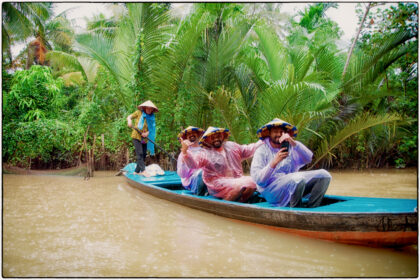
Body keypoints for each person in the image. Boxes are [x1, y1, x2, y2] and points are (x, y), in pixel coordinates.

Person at [250, 118, 331, 208]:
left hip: (293, 184)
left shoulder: (290, 147)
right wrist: (274, 162)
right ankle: (296, 209)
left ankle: (313, 208)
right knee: (297, 178)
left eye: (281, 132)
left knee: (324, 175)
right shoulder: (261, 150)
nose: (279, 134)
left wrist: (292, 142)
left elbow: (308, 158)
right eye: (275, 132)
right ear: (269, 133)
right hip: (271, 190)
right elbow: (259, 180)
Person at [182, 126, 262, 202]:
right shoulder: (205, 152)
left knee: (254, 182)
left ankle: (241, 202)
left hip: (236, 180)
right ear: (208, 140)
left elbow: (249, 149)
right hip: (216, 185)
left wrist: (263, 140)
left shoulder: (232, 146)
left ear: (222, 136)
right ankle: (225, 204)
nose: (216, 139)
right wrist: (185, 152)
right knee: (243, 184)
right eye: (212, 137)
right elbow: (194, 164)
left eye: (218, 136)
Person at [126, 100, 158, 175]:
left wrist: (147, 133)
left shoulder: (152, 117)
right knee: (139, 153)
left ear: (152, 110)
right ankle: (143, 171)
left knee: (143, 155)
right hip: (136, 136)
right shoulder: (138, 113)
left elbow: (151, 129)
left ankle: (136, 172)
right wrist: (129, 121)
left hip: (144, 139)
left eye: (151, 109)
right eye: (148, 108)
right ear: (144, 108)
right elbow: (129, 117)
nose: (149, 110)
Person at [177, 126, 207, 195]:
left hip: (207, 179)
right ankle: (199, 196)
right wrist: (185, 155)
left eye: (194, 133)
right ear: (186, 137)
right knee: (201, 173)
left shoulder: (205, 150)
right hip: (191, 181)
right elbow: (182, 174)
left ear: (199, 135)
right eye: (189, 134)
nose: (191, 135)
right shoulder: (183, 153)